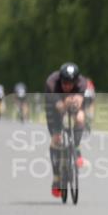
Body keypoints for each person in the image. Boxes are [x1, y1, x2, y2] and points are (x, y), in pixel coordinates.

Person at [44, 63, 91, 197]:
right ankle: (57, 177)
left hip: (73, 103)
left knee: (80, 118)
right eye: (65, 83)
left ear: (76, 81)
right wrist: (65, 104)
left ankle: (75, 148)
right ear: (60, 80)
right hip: (54, 105)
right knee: (56, 139)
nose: (68, 86)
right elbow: (59, 107)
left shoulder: (82, 83)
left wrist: (75, 103)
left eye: (71, 83)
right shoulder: (52, 83)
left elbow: (79, 101)